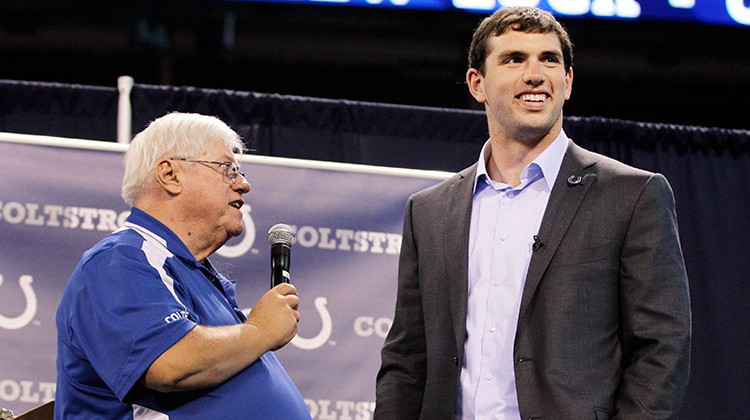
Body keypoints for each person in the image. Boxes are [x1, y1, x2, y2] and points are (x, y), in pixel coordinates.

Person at [375, 6, 691, 420]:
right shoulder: (430, 211)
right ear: (477, 84)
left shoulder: (632, 195)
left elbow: (662, 346)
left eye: (550, 59)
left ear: (568, 81)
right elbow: (407, 357)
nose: (535, 74)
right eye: (514, 59)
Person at [55, 112, 311, 419]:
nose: (243, 184)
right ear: (170, 175)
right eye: (228, 170)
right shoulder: (119, 260)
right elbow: (170, 363)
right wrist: (260, 330)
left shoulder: (188, 271)